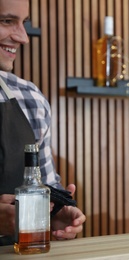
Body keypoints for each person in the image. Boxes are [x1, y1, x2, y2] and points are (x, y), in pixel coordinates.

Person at [0, 0, 86, 245]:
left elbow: (44, 185)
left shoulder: (30, 98)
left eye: (23, 23)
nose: (23, 38)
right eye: (7, 21)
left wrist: (51, 216)